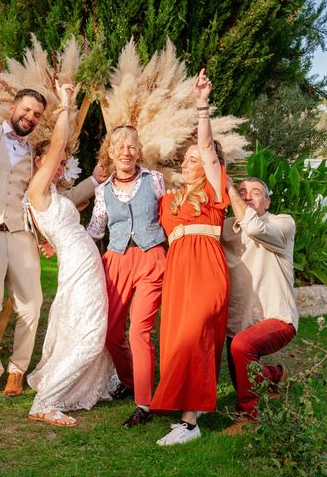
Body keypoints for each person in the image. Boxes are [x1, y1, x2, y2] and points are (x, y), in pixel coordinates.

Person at [0, 88, 104, 398]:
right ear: (13, 107)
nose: (30, 117)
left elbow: (58, 198)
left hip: (21, 234)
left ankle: (17, 369)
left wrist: (93, 181)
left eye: (37, 114)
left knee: (32, 303)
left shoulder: (34, 153)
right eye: (26, 110)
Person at [24, 83, 113, 427]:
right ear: (40, 162)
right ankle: (45, 402)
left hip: (82, 260)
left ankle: (88, 382)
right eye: (54, 162)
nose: (59, 166)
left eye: (61, 164)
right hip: (78, 263)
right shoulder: (36, 190)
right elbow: (60, 143)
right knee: (92, 334)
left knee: (84, 324)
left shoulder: (53, 193)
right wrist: (64, 103)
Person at [150, 69, 230, 445]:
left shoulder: (216, 189)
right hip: (178, 270)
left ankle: (190, 422)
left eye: (195, 158)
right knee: (176, 337)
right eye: (185, 158)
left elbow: (211, 152)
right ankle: (188, 409)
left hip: (206, 269)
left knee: (195, 333)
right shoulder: (168, 199)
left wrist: (202, 106)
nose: (187, 161)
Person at [86, 125, 166, 427]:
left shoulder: (155, 181)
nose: (125, 151)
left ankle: (144, 403)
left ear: (139, 150)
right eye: (119, 146)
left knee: (139, 332)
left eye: (131, 146)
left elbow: (169, 214)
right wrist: (66, 243)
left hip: (151, 258)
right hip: (116, 260)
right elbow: (96, 230)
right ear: (110, 152)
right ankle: (130, 380)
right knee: (110, 331)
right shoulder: (103, 190)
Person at [221, 177, 298, 434]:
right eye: (242, 192)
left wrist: (231, 189)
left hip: (277, 318)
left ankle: (250, 417)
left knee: (243, 347)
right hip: (239, 325)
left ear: (267, 201)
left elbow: (253, 228)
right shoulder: (227, 228)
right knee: (242, 379)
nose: (247, 196)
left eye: (255, 193)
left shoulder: (282, 223)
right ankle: (276, 373)